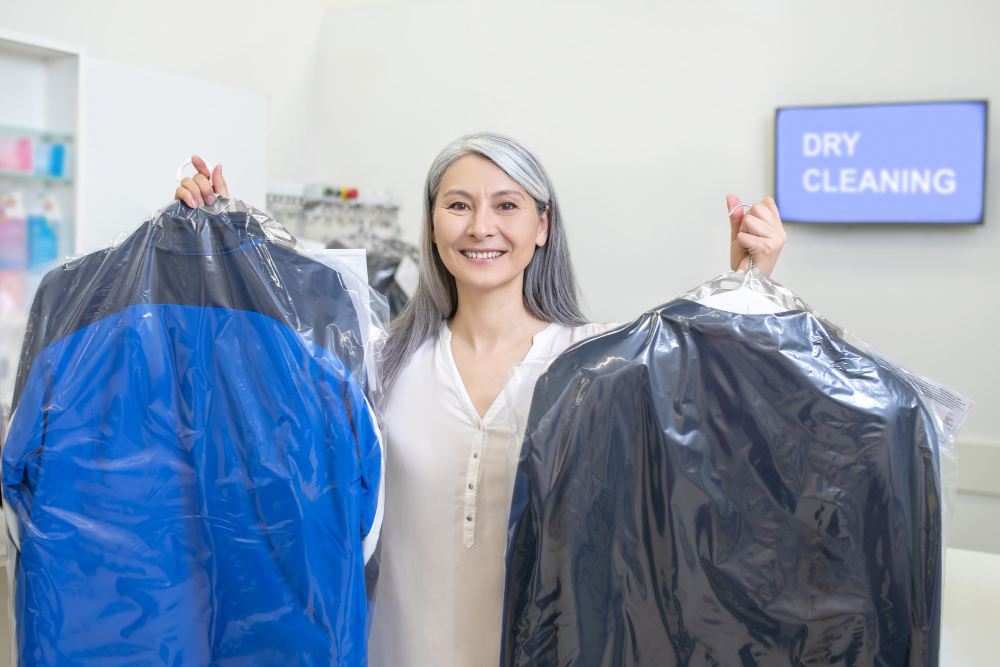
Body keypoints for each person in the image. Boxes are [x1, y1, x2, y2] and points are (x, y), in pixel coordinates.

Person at [174, 132, 787, 665]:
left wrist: (750, 284)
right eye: (458, 205)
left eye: (507, 205)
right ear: (433, 222)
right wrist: (215, 245)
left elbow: (716, 431)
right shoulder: (375, 363)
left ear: (542, 225)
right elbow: (252, 399)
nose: (480, 227)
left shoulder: (596, 364)